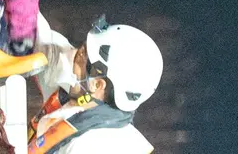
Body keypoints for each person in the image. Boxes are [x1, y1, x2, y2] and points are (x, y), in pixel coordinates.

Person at [28, 14, 163, 153]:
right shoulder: (82, 95)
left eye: (83, 54)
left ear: (97, 85)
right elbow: (47, 46)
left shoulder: (89, 145)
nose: (76, 53)